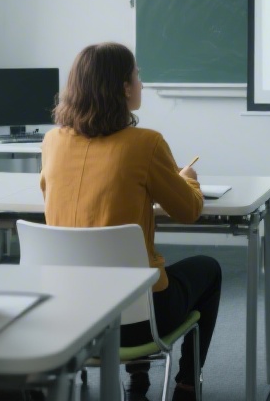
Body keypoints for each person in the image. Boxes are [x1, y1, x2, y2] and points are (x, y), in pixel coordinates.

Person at [40, 42, 221, 401]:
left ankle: (137, 382)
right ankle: (186, 384)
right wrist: (187, 178)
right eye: (137, 75)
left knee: (125, 264)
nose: (140, 82)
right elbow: (188, 210)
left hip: (71, 322)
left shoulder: (52, 142)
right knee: (208, 269)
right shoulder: (146, 144)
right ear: (124, 87)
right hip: (137, 326)